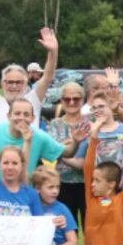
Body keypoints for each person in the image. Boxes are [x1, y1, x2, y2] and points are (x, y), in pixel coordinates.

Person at [0, 22, 58, 126]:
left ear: (25, 83)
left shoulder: (33, 100)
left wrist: (53, 51)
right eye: (10, 82)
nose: (14, 86)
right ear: (3, 83)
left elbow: (47, 77)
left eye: (18, 82)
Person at [43, 82, 91, 224]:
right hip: (62, 182)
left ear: (83, 100)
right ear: (61, 101)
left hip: (88, 182)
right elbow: (50, 152)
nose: (71, 102)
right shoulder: (55, 124)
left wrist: (62, 148)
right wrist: (68, 151)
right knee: (66, 225)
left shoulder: (91, 123)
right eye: (67, 99)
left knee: (90, 225)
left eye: (76, 99)